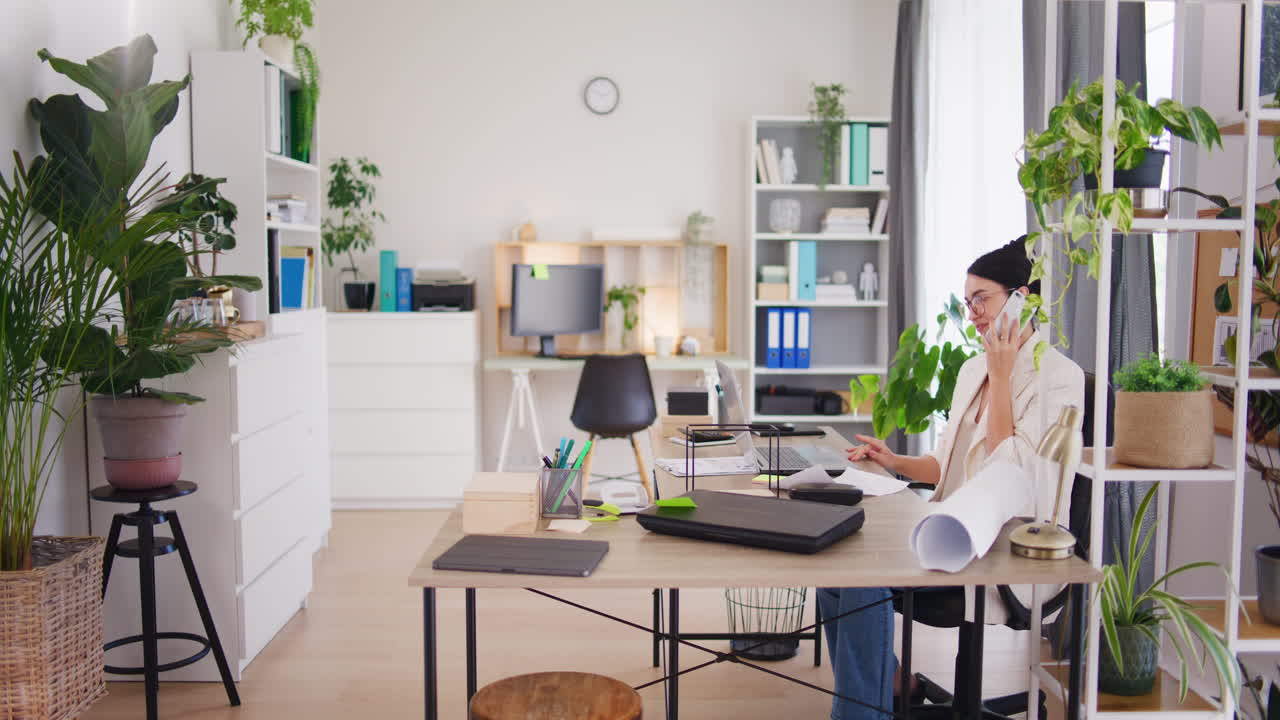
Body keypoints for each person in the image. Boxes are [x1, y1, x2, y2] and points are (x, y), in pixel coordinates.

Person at [817, 236, 1085, 720]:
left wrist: (1002, 378)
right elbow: (946, 465)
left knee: (858, 581)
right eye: (968, 303)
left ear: (1022, 298)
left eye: (982, 299)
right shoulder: (971, 369)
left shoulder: (1058, 378)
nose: (973, 312)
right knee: (832, 572)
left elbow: (1010, 477)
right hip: (946, 527)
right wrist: (894, 460)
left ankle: (861, 713)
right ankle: (893, 684)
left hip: (1006, 547)